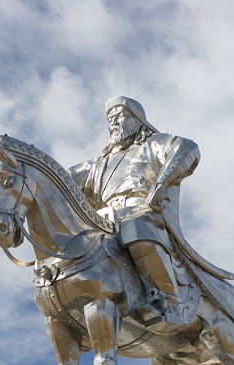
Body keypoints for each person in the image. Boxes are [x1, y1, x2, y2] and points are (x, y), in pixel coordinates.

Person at [69, 96, 212, 325]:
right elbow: (62, 178)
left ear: (137, 120)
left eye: (120, 116)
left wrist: (161, 184)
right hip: (104, 219)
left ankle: (170, 301)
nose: (114, 122)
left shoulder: (152, 144)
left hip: (142, 211)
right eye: (110, 119)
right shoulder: (100, 163)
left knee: (133, 226)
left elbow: (187, 148)